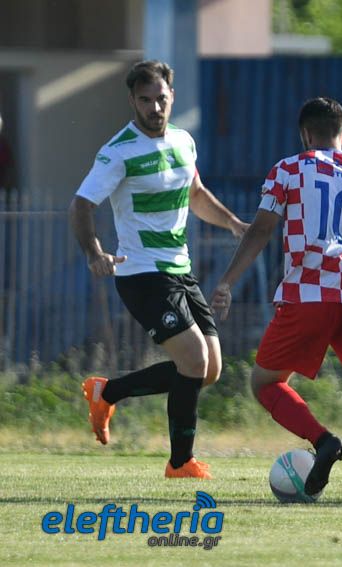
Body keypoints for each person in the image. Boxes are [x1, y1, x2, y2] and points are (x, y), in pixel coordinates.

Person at [210, 97, 342, 506]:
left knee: (265, 382)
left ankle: (323, 440)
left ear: (305, 135)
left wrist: (227, 281)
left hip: (310, 291)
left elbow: (261, 229)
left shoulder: (289, 169)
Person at [69, 60, 248, 479]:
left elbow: (196, 193)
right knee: (194, 359)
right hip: (141, 274)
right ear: (133, 101)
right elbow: (81, 204)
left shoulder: (184, 141)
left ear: (172, 97)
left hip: (179, 269)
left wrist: (232, 223)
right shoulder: (119, 152)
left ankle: (107, 392)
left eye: (160, 99)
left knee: (210, 370)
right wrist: (94, 251)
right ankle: (180, 462)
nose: (154, 107)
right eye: (145, 100)